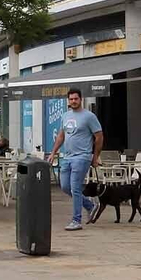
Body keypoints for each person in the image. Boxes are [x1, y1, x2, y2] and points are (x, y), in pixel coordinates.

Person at [48, 88, 102, 232]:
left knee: (75, 187)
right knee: (65, 186)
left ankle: (76, 220)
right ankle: (90, 206)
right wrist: (53, 152)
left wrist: (95, 156)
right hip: (67, 157)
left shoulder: (89, 116)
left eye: (76, 99)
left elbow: (99, 136)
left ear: (81, 99)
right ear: (68, 100)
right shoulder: (65, 116)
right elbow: (61, 135)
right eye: (71, 99)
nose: (73, 101)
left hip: (82, 157)